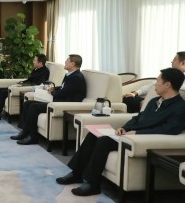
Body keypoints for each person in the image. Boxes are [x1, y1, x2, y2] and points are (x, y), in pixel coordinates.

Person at [57, 67, 185, 196]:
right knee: (93, 135)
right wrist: (125, 128)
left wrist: (137, 134)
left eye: (158, 81)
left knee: (104, 141)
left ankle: (93, 184)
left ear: (167, 85)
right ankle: (76, 174)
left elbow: (169, 129)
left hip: (139, 140)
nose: (155, 84)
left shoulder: (179, 107)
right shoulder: (154, 101)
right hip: (128, 135)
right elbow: (137, 118)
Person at [12, 54, 87, 145]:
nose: (65, 62)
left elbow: (63, 93)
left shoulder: (76, 77)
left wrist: (52, 92)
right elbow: (64, 88)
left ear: (72, 64)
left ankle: (33, 137)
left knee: (34, 107)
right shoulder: (71, 75)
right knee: (28, 103)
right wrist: (54, 88)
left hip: (63, 104)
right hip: (58, 101)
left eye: (67, 61)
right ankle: (25, 132)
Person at [0, 54, 50, 121]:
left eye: (35, 60)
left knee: (3, 92)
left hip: (28, 87)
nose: (33, 62)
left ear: (40, 63)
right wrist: (22, 82)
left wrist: (24, 85)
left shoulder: (45, 71)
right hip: (23, 85)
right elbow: (29, 79)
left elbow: (38, 83)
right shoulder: (35, 69)